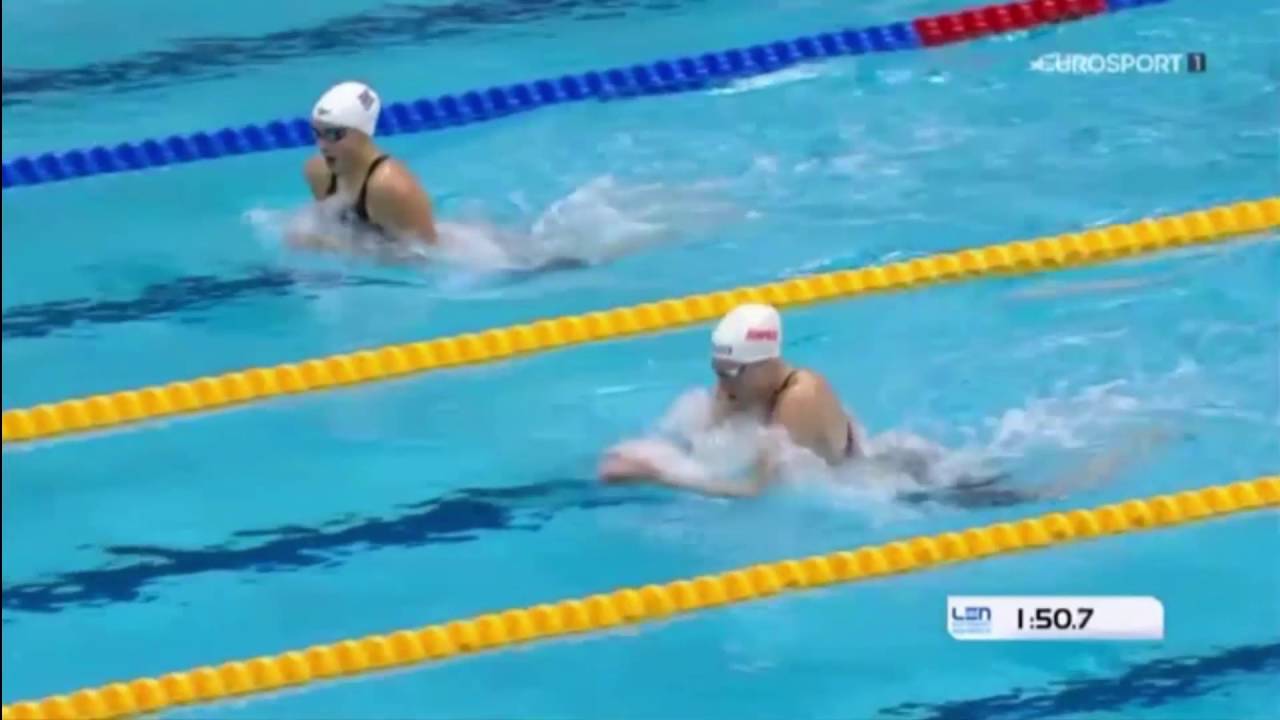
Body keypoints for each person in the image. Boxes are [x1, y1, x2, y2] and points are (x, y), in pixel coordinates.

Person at [597, 302, 865, 497]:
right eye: (717, 371)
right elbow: (699, 447)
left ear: (765, 363)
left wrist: (660, 475)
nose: (722, 384)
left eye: (730, 373)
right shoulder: (740, 387)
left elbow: (760, 495)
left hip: (871, 485)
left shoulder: (800, 398)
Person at [297, 81, 439, 254]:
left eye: (334, 134)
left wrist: (339, 248)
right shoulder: (317, 171)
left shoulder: (393, 188)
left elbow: (429, 257)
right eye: (316, 133)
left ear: (363, 133)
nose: (322, 145)